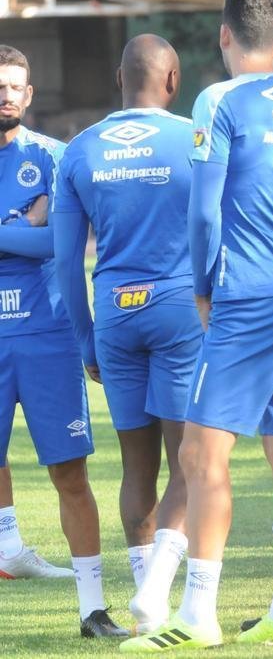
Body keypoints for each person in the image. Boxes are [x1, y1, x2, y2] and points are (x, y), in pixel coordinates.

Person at [120, 0, 273, 652]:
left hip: (245, 296)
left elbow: (205, 210)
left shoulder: (218, 100)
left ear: (222, 37)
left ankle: (198, 613)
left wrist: (205, 285)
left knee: (200, 452)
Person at [54, 35, 199, 634]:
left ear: (120, 78)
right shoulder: (195, 137)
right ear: (172, 80)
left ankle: (145, 601)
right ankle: (164, 591)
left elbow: (66, 263)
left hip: (115, 314)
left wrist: (87, 340)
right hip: (181, 309)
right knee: (191, 461)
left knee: (135, 468)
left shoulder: (81, 150)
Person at [0, 45, 126, 637]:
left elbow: (62, 245)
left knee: (69, 474)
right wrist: (23, 224)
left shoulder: (54, 158)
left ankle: (91, 607)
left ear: (29, 95)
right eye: (0, 85)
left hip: (47, 333)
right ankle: (8, 547)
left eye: (16, 87)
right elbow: (41, 235)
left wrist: (33, 232)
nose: (7, 95)